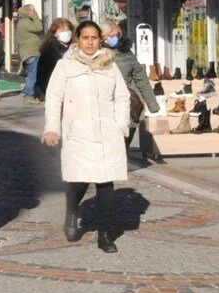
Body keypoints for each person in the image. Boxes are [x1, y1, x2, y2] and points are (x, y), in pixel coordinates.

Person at [41, 20, 130, 254]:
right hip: (78, 131)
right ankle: (71, 213)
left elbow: (122, 96)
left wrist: (120, 125)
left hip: (106, 132)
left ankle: (106, 234)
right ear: (78, 40)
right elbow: (53, 98)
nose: (90, 42)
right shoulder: (65, 65)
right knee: (78, 181)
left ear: (100, 39)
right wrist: (52, 128)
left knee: (105, 183)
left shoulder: (109, 64)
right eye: (85, 38)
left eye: (94, 38)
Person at [102, 21, 161, 149]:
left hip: (130, 102)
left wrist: (152, 104)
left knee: (125, 139)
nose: (111, 39)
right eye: (107, 37)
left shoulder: (127, 53)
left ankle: (122, 158)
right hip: (106, 103)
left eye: (113, 35)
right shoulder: (99, 54)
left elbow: (141, 79)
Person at [35, 18, 75, 100]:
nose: (66, 33)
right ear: (54, 33)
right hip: (56, 89)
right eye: (62, 30)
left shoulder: (75, 48)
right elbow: (42, 73)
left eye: (68, 30)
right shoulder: (49, 49)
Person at [16, 3, 44, 105]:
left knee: (33, 75)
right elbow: (39, 27)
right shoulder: (25, 22)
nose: (34, 12)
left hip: (31, 52)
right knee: (32, 75)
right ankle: (28, 96)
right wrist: (35, 15)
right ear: (28, 11)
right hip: (30, 53)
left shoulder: (24, 21)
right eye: (33, 10)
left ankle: (34, 94)